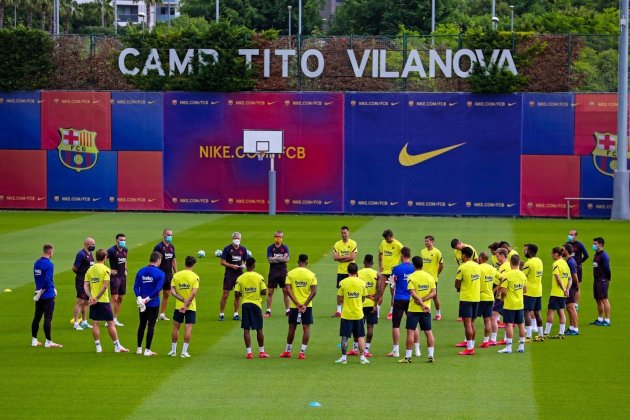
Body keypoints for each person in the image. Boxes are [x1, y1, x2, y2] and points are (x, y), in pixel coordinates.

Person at [84, 249, 128, 353]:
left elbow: (85, 285)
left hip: (93, 300)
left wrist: (90, 296)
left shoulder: (90, 269)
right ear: (105, 257)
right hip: (103, 300)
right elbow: (105, 285)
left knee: (95, 323)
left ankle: (98, 346)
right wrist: (97, 298)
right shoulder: (106, 270)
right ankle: (117, 346)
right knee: (111, 322)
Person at [379, 247, 419, 358]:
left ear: (402, 255)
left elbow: (392, 285)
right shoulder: (414, 268)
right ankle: (417, 350)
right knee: (414, 325)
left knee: (396, 325)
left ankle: (396, 350)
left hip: (399, 299)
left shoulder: (396, 269)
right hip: (411, 299)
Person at [399, 256, 436, 363]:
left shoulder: (412, 277)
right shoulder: (430, 277)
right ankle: (431, 356)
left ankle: (408, 357)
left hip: (414, 310)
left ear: (413, 265)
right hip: (426, 310)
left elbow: (412, 292)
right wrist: (424, 303)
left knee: (410, 332)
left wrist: (420, 302)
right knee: (429, 332)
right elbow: (433, 293)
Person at [280, 254, 317, 360]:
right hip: (307, 306)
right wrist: (305, 304)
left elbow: (288, 290)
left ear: (298, 261)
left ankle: (287, 351)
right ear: (307, 262)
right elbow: (314, 291)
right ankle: (302, 352)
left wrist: (296, 303)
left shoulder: (290, 274)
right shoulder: (311, 275)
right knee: (306, 328)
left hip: (293, 306)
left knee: (292, 328)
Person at [335, 263, 369, 365]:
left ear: (347, 271)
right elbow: (363, 297)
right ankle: (362, 357)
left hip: (346, 314)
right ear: (357, 271)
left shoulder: (342, 282)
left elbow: (340, 298)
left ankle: (344, 358)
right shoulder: (362, 283)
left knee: (345, 337)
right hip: (358, 313)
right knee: (360, 336)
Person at [234, 257, 268, 359]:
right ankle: (261, 352)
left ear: (246, 266)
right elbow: (264, 292)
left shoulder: (240, 278)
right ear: (254, 265)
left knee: (246, 329)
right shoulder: (259, 277)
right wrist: (256, 292)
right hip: (256, 305)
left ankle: (249, 353)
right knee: (259, 329)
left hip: (245, 304)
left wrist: (245, 292)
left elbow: (236, 293)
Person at [133, 251, 165, 356]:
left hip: (142, 303)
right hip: (153, 303)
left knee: (142, 324)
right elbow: (157, 289)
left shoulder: (141, 271)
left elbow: (135, 287)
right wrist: (147, 299)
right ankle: (147, 350)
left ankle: (138, 348)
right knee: (151, 326)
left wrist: (139, 299)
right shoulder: (160, 273)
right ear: (158, 260)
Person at [168, 256, 200, 358]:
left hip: (178, 306)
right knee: (188, 328)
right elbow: (194, 293)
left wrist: (182, 301)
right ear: (193, 264)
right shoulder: (195, 277)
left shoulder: (176, 275)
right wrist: (186, 304)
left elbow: (172, 291)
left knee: (176, 327)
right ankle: (184, 352)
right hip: (191, 306)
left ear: (185, 263)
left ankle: (173, 351)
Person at [31, 244, 62, 348]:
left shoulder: (37, 263)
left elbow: (38, 278)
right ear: (50, 252)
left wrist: (38, 290)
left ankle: (34, 340)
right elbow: (47, 278)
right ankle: (48, 342)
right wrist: (45, 289)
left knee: (37, 317)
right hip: (47, 294)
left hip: (38, 295)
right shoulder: (49, 264)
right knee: (48, 318)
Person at [498, 255, 527, 354]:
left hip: (510, 304)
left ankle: (508, 347)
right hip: (520, 304)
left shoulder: (507, 275)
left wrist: (502, 298)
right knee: (521, 324)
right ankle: (521, 346)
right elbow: (525, 290)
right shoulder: (523, 275)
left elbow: (503, 291)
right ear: (519, 263)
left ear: (510, 263)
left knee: (509, 324)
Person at [454, 247, 481, 356]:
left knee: (467, 324)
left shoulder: (462, 267)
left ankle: (469, 348)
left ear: (464, 255)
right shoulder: (478, 266)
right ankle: (471, 346)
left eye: (461, 254)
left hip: (466, 298)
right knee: (472, 323)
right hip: (476, 297)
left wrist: (459, 286)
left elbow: (457, 284)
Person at [219, 232, 249, 321]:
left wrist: (244, 265)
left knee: (237, 294)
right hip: (229, 274)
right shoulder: (227, 249)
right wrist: (232, 266)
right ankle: (221, 313)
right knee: (225, 294)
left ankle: (236, 313)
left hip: (239, 274)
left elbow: (246, 261)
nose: (237, 240)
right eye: (235, 238)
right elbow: (222, 262)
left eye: (238, 238)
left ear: (240, 239)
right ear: (232, 239)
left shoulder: (243, 249)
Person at [543, 247, 571, 338]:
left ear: (556, 254)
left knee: (550, 312)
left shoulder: (556, 264)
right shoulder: (565, 264)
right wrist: (567, 290)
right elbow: (570, 279)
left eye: (552, 253)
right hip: (563, 294)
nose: (551, 255)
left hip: (556, 292)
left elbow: (557, 278)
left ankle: (546, 333)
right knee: (561, 312)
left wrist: (563, 289)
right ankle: (561, 333)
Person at [331, 226, 358, 317]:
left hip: (351, 272)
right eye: (342, 233)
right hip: (341, 272)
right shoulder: (337, 244)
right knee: (340, 292)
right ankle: (339, 311)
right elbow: (335, 257)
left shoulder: (353, 243)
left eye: (345, 233)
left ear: (348, 233)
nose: (343, 235)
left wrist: (340, 259)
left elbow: (352, 257)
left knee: (353, 291)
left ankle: (352, 309)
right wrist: (347, 258)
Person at [378, 229, 404, 320]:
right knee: (380, 291)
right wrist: (380, 265)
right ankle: (377, 311)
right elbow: (380, 253)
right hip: (384, 272)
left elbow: (404, 256)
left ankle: (391, 312)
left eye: (387, 238)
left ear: (391, 236)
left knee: (393, 293)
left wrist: (401, 267)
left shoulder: (398, 245)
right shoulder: (383, 243)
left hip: (393, 273)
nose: (386, 240)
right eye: (385, 238)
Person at [153, 228, 177, 321]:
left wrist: (176, 272)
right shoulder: (158, 247)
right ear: (163, 235)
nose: (169, 236)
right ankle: (154, 314)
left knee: (167, 293)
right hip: (159, 274)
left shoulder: (171, 246)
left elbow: (173, 260)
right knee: (157, 293)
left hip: (168, 273)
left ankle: (162, 314)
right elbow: (154, 260)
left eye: (171, 235)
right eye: (168, 234)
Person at [357, 254, 378, 357]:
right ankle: (366, 349)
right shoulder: (376, 274)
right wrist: (375, 304)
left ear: (364, 262)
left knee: (358, 327)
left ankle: (355, 348)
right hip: (371, 304)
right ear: (373, 263)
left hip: (360, 304)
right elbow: (379, 291)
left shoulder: (358, 273)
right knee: (370, 327)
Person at [265, 230, 290, 318]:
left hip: (283, 270)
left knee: (285, 291)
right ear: (274, 237)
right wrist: (281, 258)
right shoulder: (270, 247)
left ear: (282, 238)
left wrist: (275, 258)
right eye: (276, 236)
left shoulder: (285, 247)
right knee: (270, 291)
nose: (278, 238)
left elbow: (286, 259)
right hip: (273, 271)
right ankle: (268, 311)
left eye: (279, 237)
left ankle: (288, 311)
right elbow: (269, 260)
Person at [522, 244, 544, 341]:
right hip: (538, 291)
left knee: (526, 312)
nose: (524, 251)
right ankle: (540, 335)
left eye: (525, 250)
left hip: (529, 292)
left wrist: (520, 267)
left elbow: (522, 277)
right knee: (537, 313)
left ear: (530, 251)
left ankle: (528, 336)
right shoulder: (539, 261)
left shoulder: (529, 263)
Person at [72, 237, 95, 331]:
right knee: (80, 301)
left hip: (88, 281)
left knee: (86, 301)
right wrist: (81, 274)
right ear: (87, 244)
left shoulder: (90, 254)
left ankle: (84, 321)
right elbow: (74, 268)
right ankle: (76, 323)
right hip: (82, 280)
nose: (94, 246)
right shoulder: (81, 254)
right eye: (92, 244)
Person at [419, 235, 444, 320]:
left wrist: (437, 273)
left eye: (427, 241)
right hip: (423, 278)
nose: (426, 243)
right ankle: (424, 310)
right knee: (423, 293)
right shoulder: (422, 251)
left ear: (432, 242)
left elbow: (441, 265)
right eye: (425, 241)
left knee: (434, 296)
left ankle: (438, 313)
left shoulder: (437, 252)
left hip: (433, 279)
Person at [107, 233, 128, 327]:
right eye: (121, 240)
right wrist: (109, 270)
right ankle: (109, 319)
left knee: (120, 298)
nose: (123, 241)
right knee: (114, 298)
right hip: (115, 278)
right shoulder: (111, 250)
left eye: (124, 240)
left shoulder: (125, 250)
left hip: (123, 277)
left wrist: (126, 269)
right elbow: (101, 260)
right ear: (116, 241)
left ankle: (115, 318)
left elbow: (125, 260)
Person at [590, 237, 611, 326]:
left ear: (600, 244)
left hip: (602, 280)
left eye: (595, 244)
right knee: (598, 300)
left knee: (604, 299)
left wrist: (607, 279)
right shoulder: (596, 254)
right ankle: (600, 319)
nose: (593, 245)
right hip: (597, 280)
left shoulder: (604, 255)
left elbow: (607, 268)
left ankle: (607, 320)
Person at [478, 252, 497, 348]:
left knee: (470, 320)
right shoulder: (492, 269)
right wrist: (493, 290)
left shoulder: (478, 268)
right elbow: (502, 279)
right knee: (487, 320)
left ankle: (468, 342)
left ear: (481, 258)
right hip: (490, 297)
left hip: (480, 297)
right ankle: (486, 341)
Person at [563, 243, 580, 335]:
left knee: (571, 308)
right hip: (570, 287)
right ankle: (571, 327)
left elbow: (574, 276)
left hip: (571, 287)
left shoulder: (570, 262)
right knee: (569, 308)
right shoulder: (569, 261)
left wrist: (576, 286)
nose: (562, 251)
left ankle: (575, 329)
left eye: (563, 250)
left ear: (567, 251)